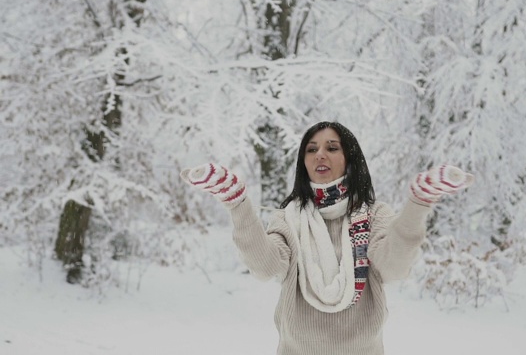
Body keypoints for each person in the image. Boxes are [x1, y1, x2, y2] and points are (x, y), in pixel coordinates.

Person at [180, 121, 474, 355]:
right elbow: (265, 267)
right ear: (303, 162)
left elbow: (394, 267)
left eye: (332, 147)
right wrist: (237, 203)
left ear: (350, 158)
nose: (320, 154)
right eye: (311, 149)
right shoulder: (288, 218)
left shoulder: (373, 215)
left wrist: (418, 203)